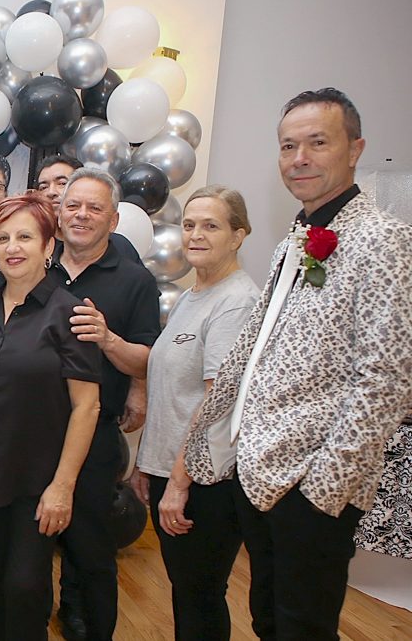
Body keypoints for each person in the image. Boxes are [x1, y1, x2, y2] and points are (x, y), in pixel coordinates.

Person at [182, 88, 412, 640]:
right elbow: (257, 347)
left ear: (355, 149)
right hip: (260, 471)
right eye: (289, 146)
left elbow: (384, 378)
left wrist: (326, 487)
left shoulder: (387, 240)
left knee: (302, 630)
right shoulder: (296, 239)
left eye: (317, 142)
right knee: (268, 622)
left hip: (313, 485)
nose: (300, 158)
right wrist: (206, 439)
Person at [0, 194, 101, 641]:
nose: (13, 247)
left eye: (26, 237)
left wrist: (63, 486)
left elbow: (88, 405)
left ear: (49, 246)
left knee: (25, 587)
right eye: (3, 237)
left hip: (39, 481)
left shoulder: (70, 312)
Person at [129, 185, 259, 641]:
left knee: (200, 594)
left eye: (211, 225)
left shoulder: (236, 302)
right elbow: (169, 389)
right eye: (189, 224)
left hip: (205, 481)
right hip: (171, 468)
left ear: (238, 235)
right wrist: (150, 463)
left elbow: (216, 403)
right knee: (187, 592)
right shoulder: (191, 296)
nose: (196, 234)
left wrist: (179, 482)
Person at [50, 167, 161, 641]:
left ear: (113, 220)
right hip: (32, 429)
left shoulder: (135, 281)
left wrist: (108, 338)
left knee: (89, 549)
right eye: (73, 206)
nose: (81, 215)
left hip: (94, 434)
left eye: (94, 208)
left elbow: (146, 361)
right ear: (58, 215)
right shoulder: (36, 265)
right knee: (32, 546)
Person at [33, 153, 141, 264]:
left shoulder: (119, 246)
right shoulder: (32, 246)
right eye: (43, 187)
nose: (51, 192)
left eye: (62, 183)